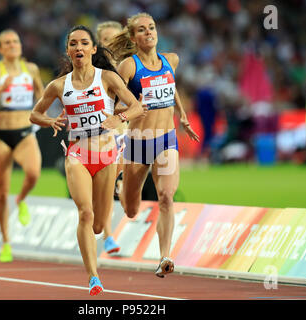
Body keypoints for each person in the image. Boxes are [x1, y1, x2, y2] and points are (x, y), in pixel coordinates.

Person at [30, 25, 145, 296]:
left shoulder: (107, 78)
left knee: (98, 223)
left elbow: (137, 106)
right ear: (68, 51)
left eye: (84, 43)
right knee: (85, 213)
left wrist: (120, 118)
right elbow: (34, 115)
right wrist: (49, 120)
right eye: (73, 44)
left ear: (93, 49)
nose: (78, 48)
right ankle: (94, 277)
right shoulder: (58, 85)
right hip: (78, 154)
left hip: (106, 156)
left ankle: (101, 237)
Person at [107, 12, 200, 278]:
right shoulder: (129, 67)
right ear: (133, 37)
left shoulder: (171, 60)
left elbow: (171, 87)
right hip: (138, 142)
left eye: (152, 27)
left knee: (166, 197)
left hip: (167, 139)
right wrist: (133, 108)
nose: (149, 32)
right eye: (141, 30)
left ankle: (164, 256)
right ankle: (123, 182)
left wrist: (182, 115)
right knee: (131, 209)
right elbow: (114, 105)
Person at [0, 29, 44, 263]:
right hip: (1, 134)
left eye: (15, 41)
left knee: (33, 174)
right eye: (7, 42)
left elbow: (43, 95)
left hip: (24, 132)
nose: (12, 45)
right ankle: (6, 242)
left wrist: (44, 115)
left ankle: (22, 199)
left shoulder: (31, 69)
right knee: (1, 192)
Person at [95, 20, 124, 255]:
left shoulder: (132, 65)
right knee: (109, 187)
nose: (112, 44)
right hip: (107, 132)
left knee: (124, 189)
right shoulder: (96, 72)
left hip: (132, 132)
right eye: (106, 40)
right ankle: (108, 235)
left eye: (116, 39)